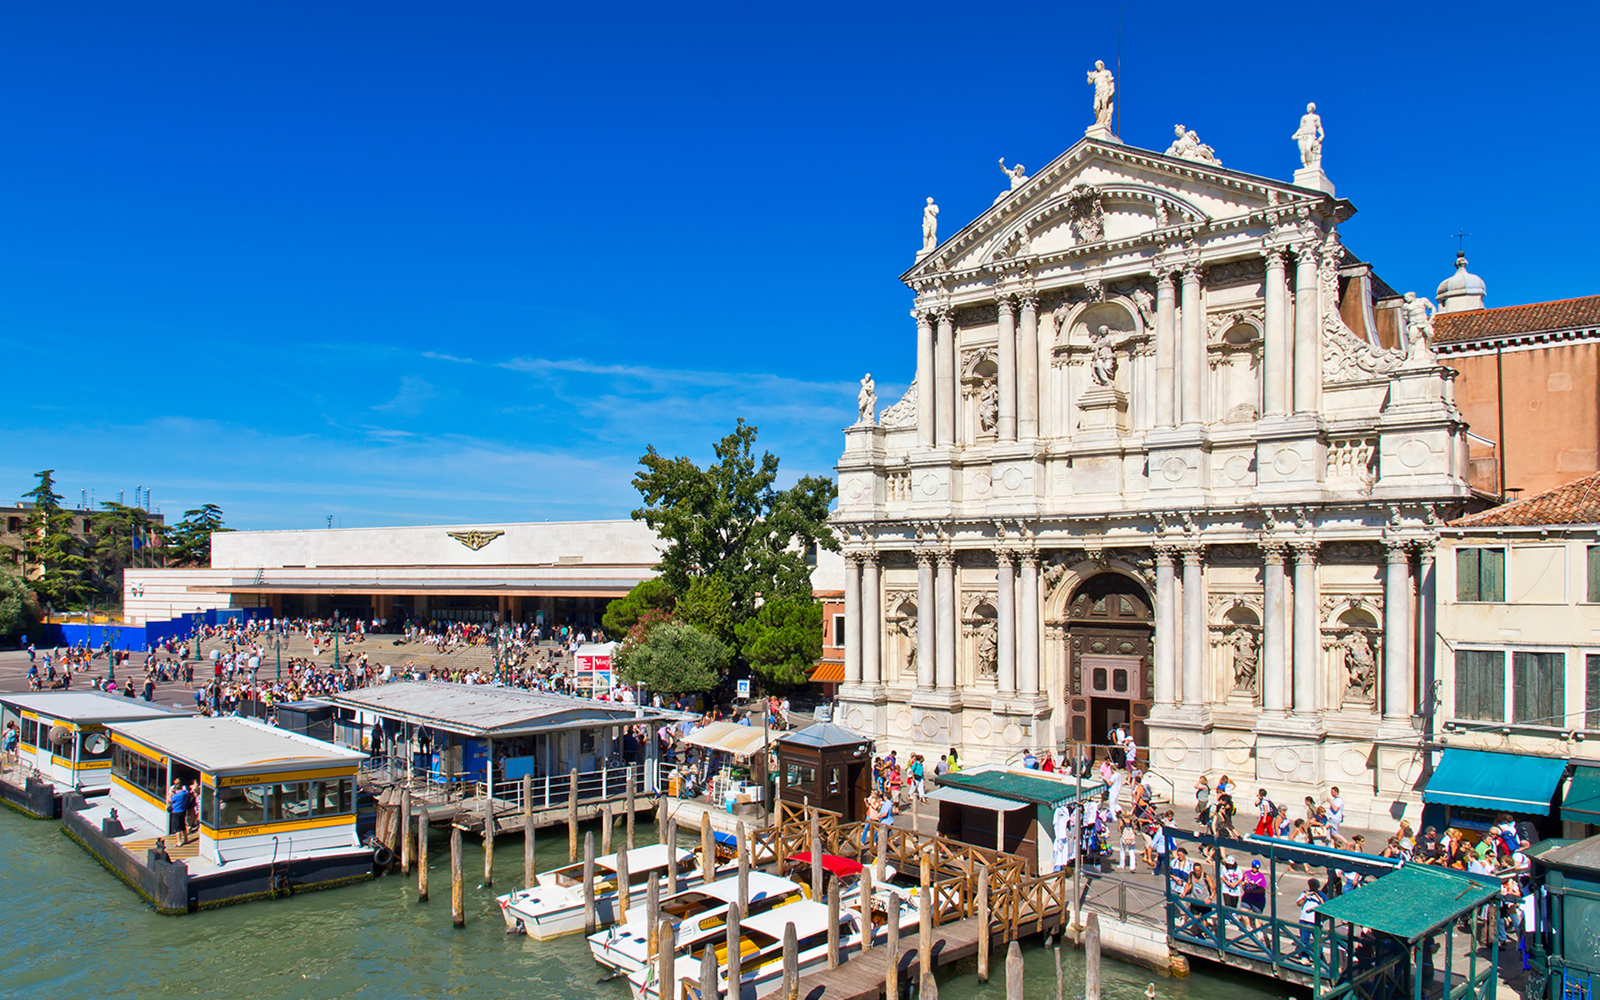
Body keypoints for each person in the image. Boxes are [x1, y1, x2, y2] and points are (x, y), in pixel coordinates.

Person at [1296, 879, 1326, 957]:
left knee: (1318, 941)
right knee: (1304, 940)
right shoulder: (1304, 893)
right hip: (1304, 920)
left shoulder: (1322, 895)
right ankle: (1305, 956)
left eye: (1314, 886)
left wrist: (1317, 896)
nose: (1312, 887)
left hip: (1316, 922)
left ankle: (1319, 958)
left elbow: (1325, 905)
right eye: (1311, 886)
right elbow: (1298, 903)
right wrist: (1305, 897)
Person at [167, 781, 192, 847]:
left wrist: (170, 792)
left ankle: (179, 841)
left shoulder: (177, 795)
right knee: (183, 826)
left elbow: (169, 800)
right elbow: (186, 790)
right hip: (183, 811)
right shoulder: (185, 793)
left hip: (176, 812)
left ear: (176, 789)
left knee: (177, 828)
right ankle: (186, 839)